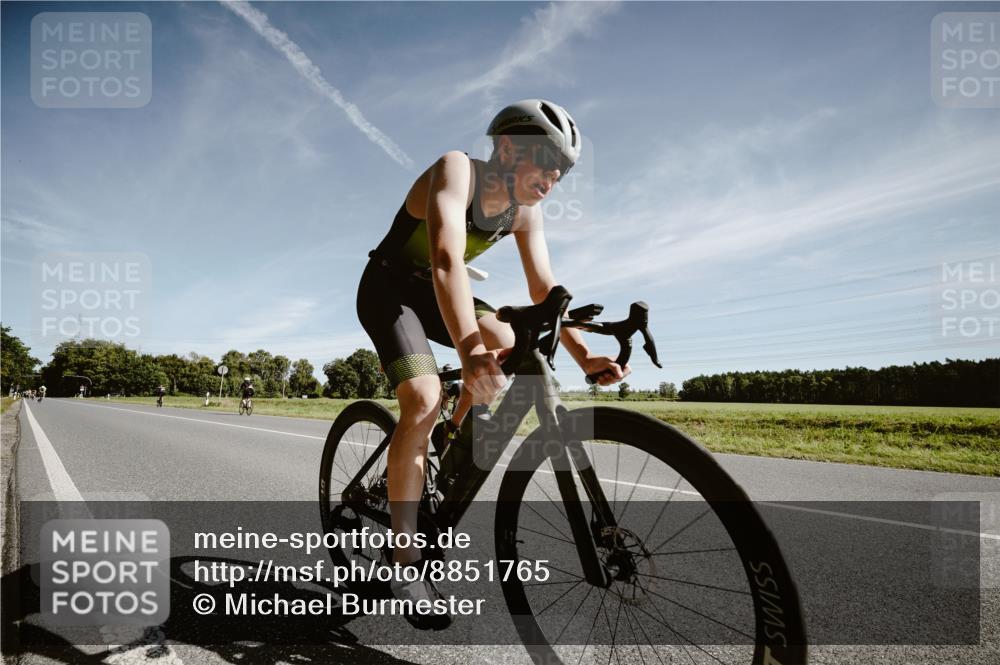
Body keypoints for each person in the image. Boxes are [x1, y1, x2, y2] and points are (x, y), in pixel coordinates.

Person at [356, 99, 629, 629]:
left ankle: (452, 435)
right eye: (547, 159)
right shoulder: (456, 168)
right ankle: (404, 558)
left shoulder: (526, 209)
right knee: (423, 398)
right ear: (507, 148)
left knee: (517, 339)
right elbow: (445, 260)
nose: (554, 175)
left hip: (443, 292)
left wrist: (584, 354)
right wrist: (470, 352)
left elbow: (544, 292)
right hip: (392, 289)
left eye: (564, 168)